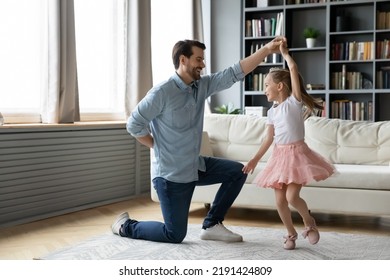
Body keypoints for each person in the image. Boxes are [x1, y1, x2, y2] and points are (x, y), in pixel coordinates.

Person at [111, 36, 286, 243]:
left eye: (203, 60)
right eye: (198, 60)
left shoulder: (201, 86)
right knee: (174, 234)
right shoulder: (162, 92)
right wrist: (157, 146)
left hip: (195, 166)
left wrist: (266, 49)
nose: (203, 65)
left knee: (238, 172)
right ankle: (125, 226)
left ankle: (212, 224)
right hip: (171, 176)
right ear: (183, 60)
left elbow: (234, 72)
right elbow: (134, 124)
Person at [242, 41, 336, 250]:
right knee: (279, 201)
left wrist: (284, 53)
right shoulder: (272, 112)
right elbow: (268, 139)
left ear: (280, 86)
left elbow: (292, 68)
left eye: (266, 85)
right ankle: (290, 233)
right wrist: (254, 160)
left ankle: (309, 223)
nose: (264, 89)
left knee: (292, 196)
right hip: (279, 158)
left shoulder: (294, 102)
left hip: (297, 156)